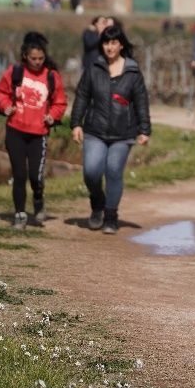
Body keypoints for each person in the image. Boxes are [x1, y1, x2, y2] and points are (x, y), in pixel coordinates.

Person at [70, 25, 151, 234]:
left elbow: (141, 102)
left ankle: (111, 216)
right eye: (106, 42)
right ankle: (97, 203)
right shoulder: (93, 68)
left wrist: (144, 130)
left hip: (123, 134)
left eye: (114, 43)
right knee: (91, 171)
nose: (109, 47)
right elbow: (82, 97)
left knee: (114, 171)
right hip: (95, 131)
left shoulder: (132, 72)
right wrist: (76, 123)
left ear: (121, 45)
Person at [0, 33, 68, 229]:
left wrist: (53, 115)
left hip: (39, 134)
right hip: (15, 130)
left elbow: (60, 101)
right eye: (33, 59)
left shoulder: (51, 76)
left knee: (35, 176)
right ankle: (20, 214)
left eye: (41, 59)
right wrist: (6, 105)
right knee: (19, 174)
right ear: (25, 56)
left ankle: (38, 197)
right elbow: (1, 92)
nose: (37, 62)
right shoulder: (15, 72)